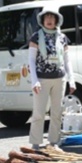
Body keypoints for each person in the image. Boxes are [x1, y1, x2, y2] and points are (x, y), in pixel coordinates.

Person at [28, 8, 75, 151]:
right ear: (42, 20)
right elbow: (31, 60)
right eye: (46, 17)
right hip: (41, 79)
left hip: (59, 79)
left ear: (56, 20)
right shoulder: (36, 37)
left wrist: (71, 79)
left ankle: (54, 142)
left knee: (57, 111)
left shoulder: (62, 37)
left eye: (52, 17)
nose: (49, 20)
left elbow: (67, 60)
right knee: (39, 112)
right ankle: (35, 143)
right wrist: (34, 80)